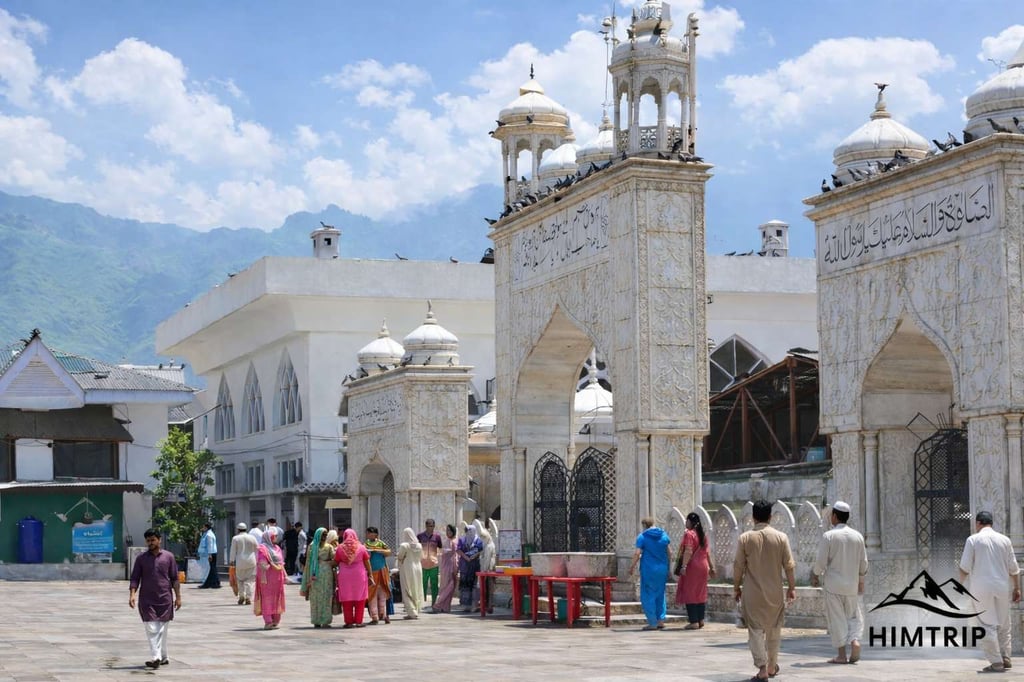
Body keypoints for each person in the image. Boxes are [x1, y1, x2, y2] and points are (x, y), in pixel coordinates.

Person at [734, 500, 796, 681]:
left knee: (755, 630)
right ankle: (771, 666)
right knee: (774, 630)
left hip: (752, 593)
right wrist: (792, 588)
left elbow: (738, 566)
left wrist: (736, 587)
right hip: (775, 593)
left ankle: (762, 667)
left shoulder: (745, 538)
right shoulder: (781, 537)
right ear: (770, 517)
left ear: (753, 517)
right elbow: (789, 566)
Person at [958, 510, 1022, 673]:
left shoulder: (973, 540)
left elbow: (964, 568)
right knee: (1004, 623)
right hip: (1002, 586)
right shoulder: (1005, 540)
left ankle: (996, 661)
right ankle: (1006, 656)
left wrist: (958, 585)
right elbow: (1014, 568)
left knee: (986, 624)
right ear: (991, 523)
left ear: (978, 523)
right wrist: (1017, 588)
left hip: (981, 588)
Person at [811, 501, 868, 665]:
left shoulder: (829, 536)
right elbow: (864, 563)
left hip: (833, 586)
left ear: (835, 516)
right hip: (852, 586)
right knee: (853, 617)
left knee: (837, 620)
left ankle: (842, 655)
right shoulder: (857, 536)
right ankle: (855, 641)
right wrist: (861, 581)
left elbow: (821, 562)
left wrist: (815, 575)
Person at [128, 528, 181, 669]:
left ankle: (163, 656)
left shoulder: (168, 557)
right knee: (152, 627)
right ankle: (155, 657)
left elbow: (175, 578)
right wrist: (132, 595)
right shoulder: (141, 559)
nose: (150, 543)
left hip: (165, 598)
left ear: (159, 540)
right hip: (147, 599)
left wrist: (178, 597)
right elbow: (135, 578)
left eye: (153, 540)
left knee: (162, 628)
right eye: (148, 541)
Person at [675, 512, 716, 629]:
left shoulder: (689, 534)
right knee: (700, 592)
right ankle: (700, 620)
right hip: (703, 566)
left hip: (692, 567)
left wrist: (683, 566)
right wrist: (712, 567)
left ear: (690, 522)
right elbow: (707, 553)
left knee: (690, 592)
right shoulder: (703, 535)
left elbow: (688, 551)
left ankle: (694, 621)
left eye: (687, 520)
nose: (685, 523)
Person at [629, 516, 671, 631]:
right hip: (662, 568)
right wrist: (668, 567)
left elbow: (637, 553)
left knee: (648, 594)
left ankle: (652, 622)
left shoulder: (642, 537)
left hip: (649, 569)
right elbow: (670, 552)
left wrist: (631, 567)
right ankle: (660, 621)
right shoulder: (664, 535)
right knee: (660, 594)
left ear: (644, 525)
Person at [335, 529, 372, 628]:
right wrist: (370, 574)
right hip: (359, 575)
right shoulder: (361, 547)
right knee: (360, 598)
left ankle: (349, 622)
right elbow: (367, 562)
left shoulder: (340, 548)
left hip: (345, 577)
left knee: (346, 598)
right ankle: (359, 621)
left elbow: (336, 561)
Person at [299, 527, 335, 628]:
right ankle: (316, 620)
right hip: (315, 575)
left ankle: (326, 620)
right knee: (315, 598)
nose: (325, 537)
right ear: (318, 535)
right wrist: (307, 578)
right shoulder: (312, 546)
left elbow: (334, 559)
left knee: (326, 597)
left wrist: (330, 562)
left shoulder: (329, 547)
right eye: (323, 534)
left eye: (326, 535)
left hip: (327, 574)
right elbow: (308, 562)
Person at [254, 526, 287, 630]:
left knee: (277, 597)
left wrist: (285, 575)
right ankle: (268, 621)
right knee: (267, 598)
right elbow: (262, 563)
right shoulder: (262, 548)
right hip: (267, 578)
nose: (276, 537)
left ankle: (276, 621)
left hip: (277, 578)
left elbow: (281, 563)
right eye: (274, 536)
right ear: (269, 537)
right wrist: (269, 564)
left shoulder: (277, 548)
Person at [365, 526, 392, 624]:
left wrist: (379, 551)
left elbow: (389, 552)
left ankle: (383, 615)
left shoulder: (381, 543)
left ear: (376, 534)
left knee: (383, 594)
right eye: (368, 533)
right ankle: (374, 617)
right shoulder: (366, 544)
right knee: (372, 595)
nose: (369, 535)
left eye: (370, 533)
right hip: (372, 572)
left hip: (382, 571)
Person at [396, 527, 424, 619]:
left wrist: (399, 557)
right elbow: (421, 557)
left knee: (407, 589)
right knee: (416, 588)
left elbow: (400, 557)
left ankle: (412, 611)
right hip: (418, 568)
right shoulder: (419, 545)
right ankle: (416, 609)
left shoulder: (404, 545)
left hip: (407, 568)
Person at [230, 522, 259, 606]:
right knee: (250, 580)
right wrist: (258, 559)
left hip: (240, 562)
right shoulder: (252, 537)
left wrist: (232, 560)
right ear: (246, 529)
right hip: (251, 561)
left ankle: (241, 596)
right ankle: (248, 597)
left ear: (238, 530)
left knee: (240, 580)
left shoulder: (235, 538)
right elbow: (257, 549)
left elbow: (233, 550)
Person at [433, 523, 459, 613]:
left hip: (452, 566)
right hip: (445, 567)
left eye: (449, 530)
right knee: (446, 587)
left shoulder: (454, 542)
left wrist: (456, 569)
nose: (448, 532)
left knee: (450, 587)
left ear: (453, 531)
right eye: (447, 530)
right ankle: (442, 606)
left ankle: (442, 605)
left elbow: (455, 556)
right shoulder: (446, 541)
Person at [457, 523, 483, 612]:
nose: (467, 532)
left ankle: (474, 604)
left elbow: (479, 550)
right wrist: (466, 557)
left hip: (474, 565)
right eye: (466, 530)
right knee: (465, 584)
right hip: (465, 565)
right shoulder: (462, 539)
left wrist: (472, 557)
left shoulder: (478, 540)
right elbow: (459, 550)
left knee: (474, 584)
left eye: (469, 530)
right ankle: (465, 604)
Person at [417, 519, 443, 608]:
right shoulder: (420, 536)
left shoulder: (437, 537)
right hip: (423, 564)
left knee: (434, 584)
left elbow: (440, 548)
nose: (431, 528)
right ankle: (422, 603)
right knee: (422, 584)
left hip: (434, 564)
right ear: (426, 526)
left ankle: (434, 603)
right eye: (429, 526)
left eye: (432, 526)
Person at [475, 519, 497, 614]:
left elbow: (487, 559)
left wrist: (483, 571)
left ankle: (488, 606)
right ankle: (488, 605)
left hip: (488, 570)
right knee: (488, 589)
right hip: (489, 570)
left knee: (488, 589)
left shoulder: (488, 546)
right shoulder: (489, 544)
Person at [197, 522, 221, 589]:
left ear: (206, 527)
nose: (203, 528)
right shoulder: (207, 534)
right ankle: (212, 583)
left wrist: (210, 554)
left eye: (204, 527)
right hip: (209, 554)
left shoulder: (209, 535)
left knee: (210, 569)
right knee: (211, 569)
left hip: (210, 554)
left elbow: (210, 545)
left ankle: (213, 583)